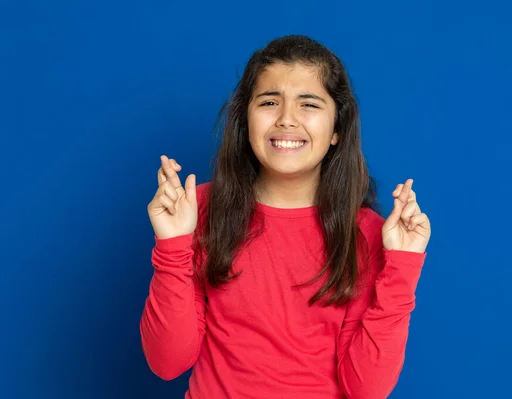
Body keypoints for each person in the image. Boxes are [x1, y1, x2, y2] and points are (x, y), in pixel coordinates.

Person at [140, 34, 431, 399]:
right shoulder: (196, 210)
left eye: (308, 104)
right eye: (269, 102)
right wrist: (172, 246)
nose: (287, 120)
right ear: (246, 120)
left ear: (337, 129)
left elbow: (367, 389)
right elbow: (167, 362)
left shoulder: (368, 232)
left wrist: (402, 268)